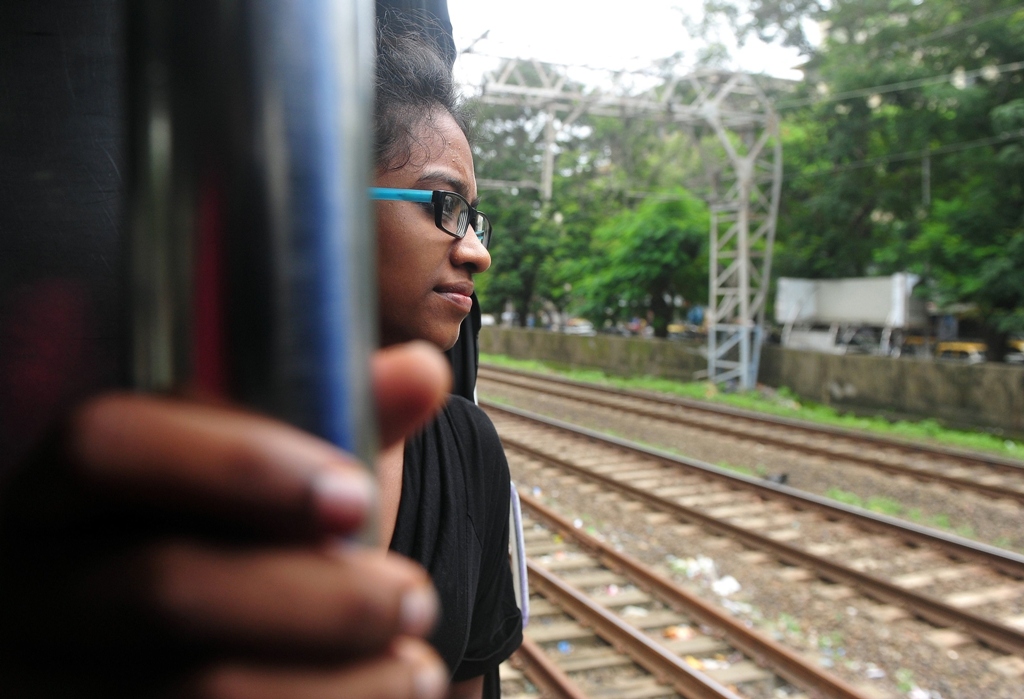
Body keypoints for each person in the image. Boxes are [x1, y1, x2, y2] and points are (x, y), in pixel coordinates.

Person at [370, 19, 522, 699]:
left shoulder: (469, 446)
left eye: (474, 217)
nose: (476, 252)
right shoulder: (206, 437)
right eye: (444, 205)